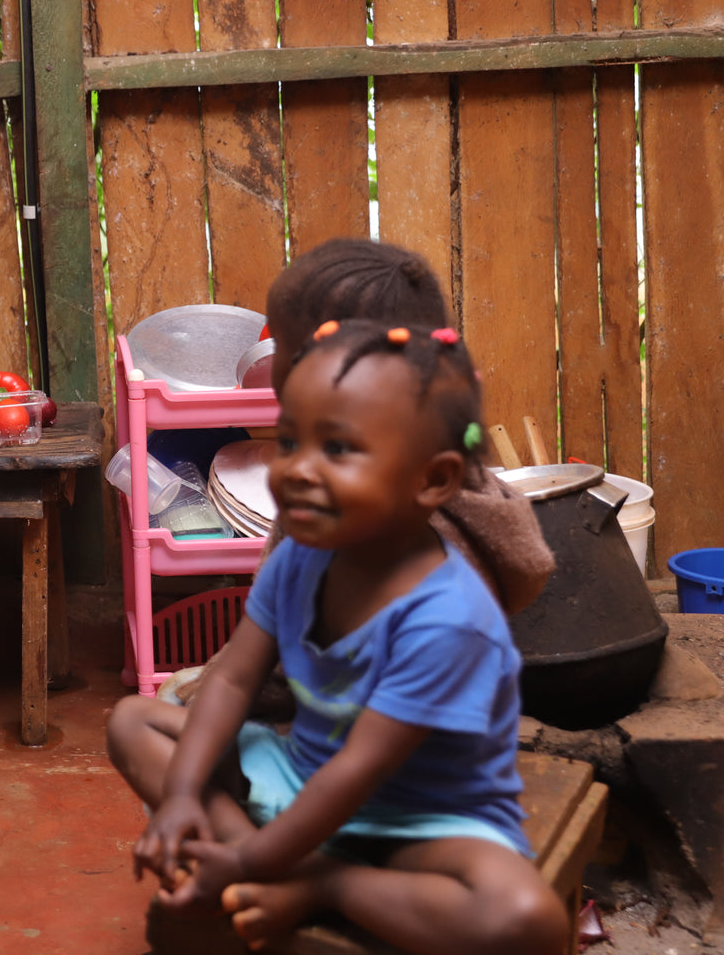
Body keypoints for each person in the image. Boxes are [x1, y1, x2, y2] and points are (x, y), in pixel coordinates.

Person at [108, 321, 568, 954]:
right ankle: (277, 865)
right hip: (300, 777)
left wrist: (242, 866)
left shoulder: (450, 621)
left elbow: (358, 772)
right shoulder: (300, 553)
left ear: (432, 481)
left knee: (525, 919)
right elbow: (235, 679)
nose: (297, 470)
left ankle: (322, 884)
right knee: (137, 722)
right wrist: (185, 792)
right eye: (291, 440)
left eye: (339, 449)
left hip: (419, 823)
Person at [260, 238, 553, 615]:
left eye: (281, 344)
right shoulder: (404, 482)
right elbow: (269, 624)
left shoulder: (388, 525)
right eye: (287, 444)